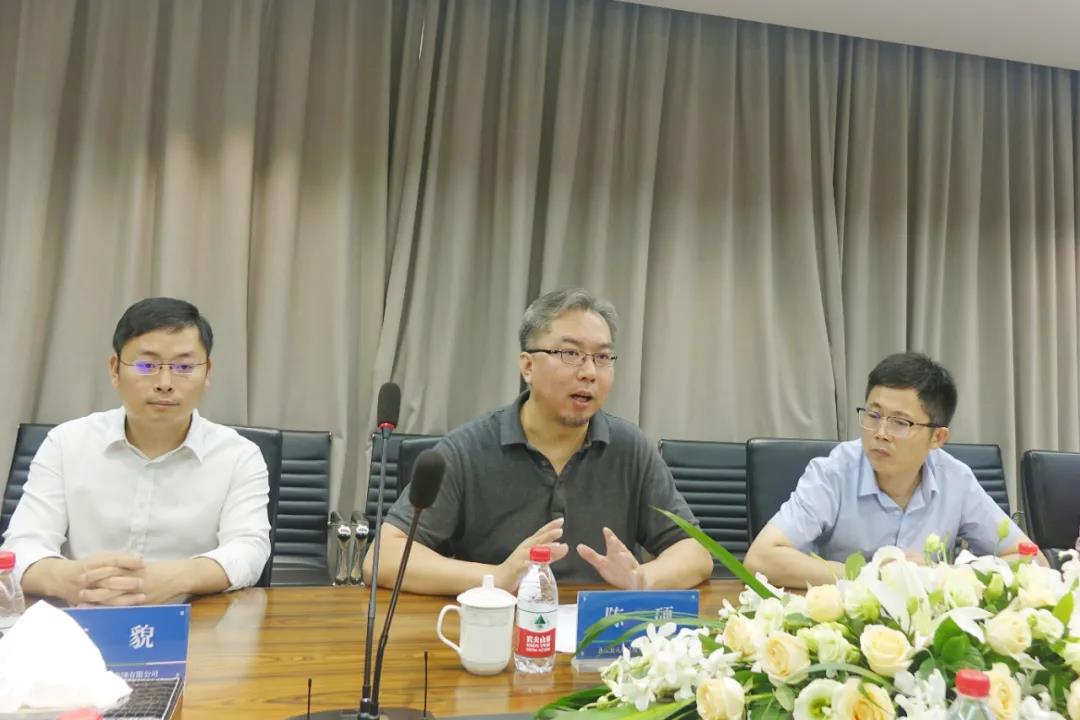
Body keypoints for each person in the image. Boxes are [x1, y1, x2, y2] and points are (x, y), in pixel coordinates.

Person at [368, 288, 713, 595]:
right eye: (570, 354)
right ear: (527, 366)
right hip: (500, 629)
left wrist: (641, 579)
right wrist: (497, 577)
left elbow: (695, 553)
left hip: (599, 632)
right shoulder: (467, 449)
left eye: (602, 357)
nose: (589, 372)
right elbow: (382, 557)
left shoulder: (630, 448)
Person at [1, 297, 270, 605]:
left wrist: (172, 579)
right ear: (115, 370)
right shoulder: (66, 443)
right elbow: (22, 546)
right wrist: (74, 579)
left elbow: (249, 551)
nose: (165, 383)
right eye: (146, 365)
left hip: (192, 621)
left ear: (207, 371)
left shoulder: (239, 456)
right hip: (83, 614)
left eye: (184, 367)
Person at [745, 352, 1042, 588]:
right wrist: (873, 575)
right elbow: (760, 559)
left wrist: (943, 576)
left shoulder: (956, 480)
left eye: (900, 423)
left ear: (937, 437)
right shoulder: (833, 473)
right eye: (873, 415)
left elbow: (1033, 560)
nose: (881, 433)